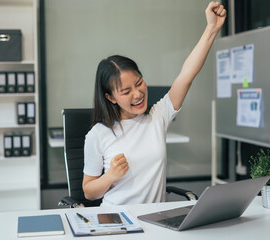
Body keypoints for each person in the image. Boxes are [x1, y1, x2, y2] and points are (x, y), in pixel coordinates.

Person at [82, 1, 226, 206]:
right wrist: (110, 176)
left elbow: (187, 75)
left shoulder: (158, 116)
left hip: (155, 220)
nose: (138, 93)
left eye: (139, 83)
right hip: (118, 221)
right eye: (126, 91)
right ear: (110, 97)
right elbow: (89, 192)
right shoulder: (98, 134)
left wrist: (211, 29)